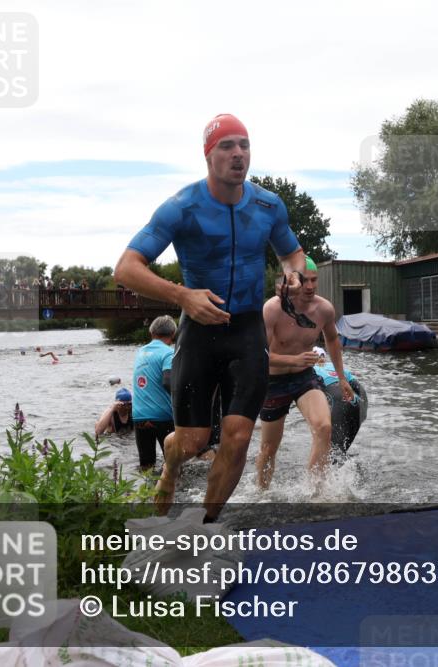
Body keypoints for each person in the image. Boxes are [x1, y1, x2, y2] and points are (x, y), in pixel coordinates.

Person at [114, 113, 306, 521]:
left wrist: (292, 273)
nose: (238, 154)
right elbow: (127, 268)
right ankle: (170, 465)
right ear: (208, 154)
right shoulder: (181, 208)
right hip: (200, 335)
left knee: (236, 439)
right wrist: (182, 295)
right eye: (227, 146)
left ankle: (203, 527)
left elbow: (293, 253)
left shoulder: (269, 205)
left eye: (244, 145)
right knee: (191, 442)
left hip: (248, 333)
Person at [256, 256, 354, 490]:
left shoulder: (323, 309)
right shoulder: (273, 309)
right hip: (273, 380)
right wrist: (293, 358)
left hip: (304, 377)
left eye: (314, 280)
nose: (310, 286)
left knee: (324, 427)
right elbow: (259, 356)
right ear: (291, 282)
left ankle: (314, 491)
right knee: (269, 448)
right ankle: (261, 493)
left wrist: (342, 378)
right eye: (305, 281)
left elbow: (332, 339)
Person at [131, 315, 215, 471]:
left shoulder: (140, 352)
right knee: (174, 465)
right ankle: (176, 493)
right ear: (173, 334)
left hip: (139, 416)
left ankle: (146, 495)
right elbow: (168, 382)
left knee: (147, 465)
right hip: (162, 416)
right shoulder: (168, 353)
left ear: (151, 332)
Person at [312, 346, 367, 462]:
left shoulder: (311, 370)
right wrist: (363, 415)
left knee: (334, 453)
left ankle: (331, 478)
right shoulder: (340, 370)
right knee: (342, 450)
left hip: (336, 401)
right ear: (324, 357)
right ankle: (352, 476)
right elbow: (361, 391)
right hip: (357, 405)